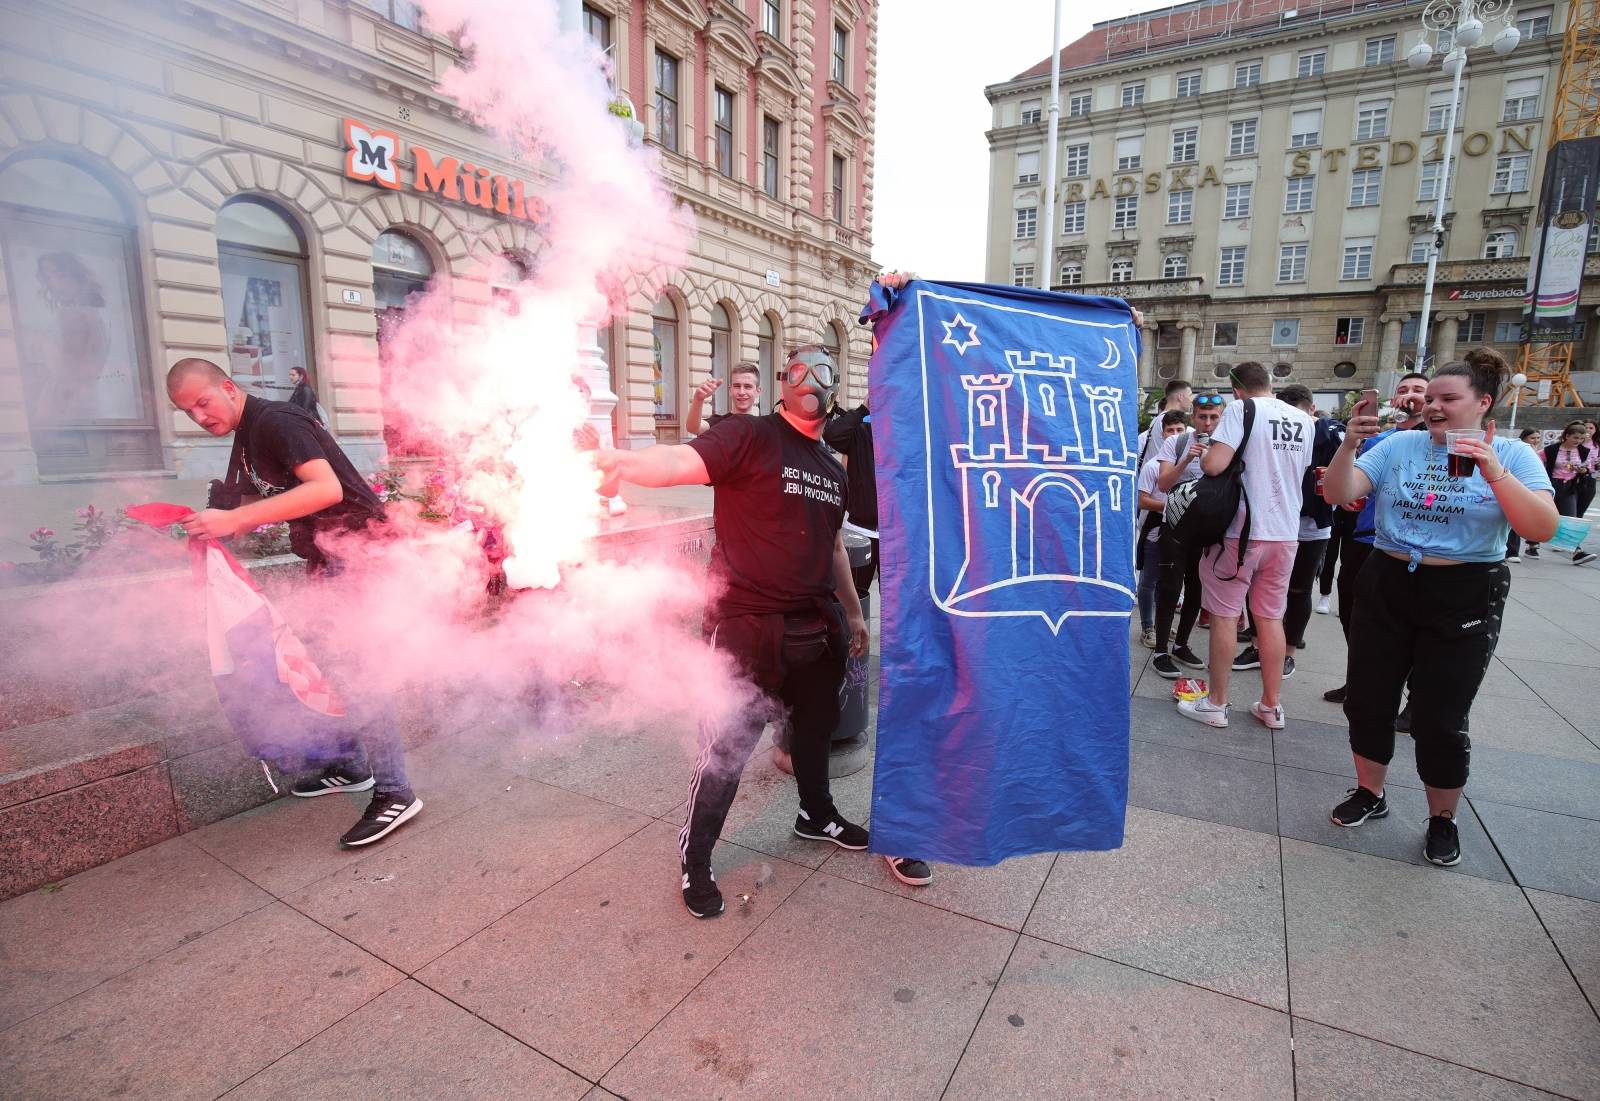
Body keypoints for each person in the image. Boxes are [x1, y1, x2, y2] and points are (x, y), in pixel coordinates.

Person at [596, 346, 872, 919]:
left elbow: (832, 548)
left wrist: (853, 612)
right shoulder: (748, 435)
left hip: (815, 629)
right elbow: (679, 463)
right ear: (782, 381)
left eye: (825, 370)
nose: (813, 379)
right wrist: (623, 461)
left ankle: (814, 815)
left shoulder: (830, 468)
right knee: (725, 750)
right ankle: (696, 858)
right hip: (745, 629)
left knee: (814, 734)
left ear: (837, 384)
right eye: (800, 369)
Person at [165, 358, 422, 848]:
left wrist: (236, 523)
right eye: (187, 412)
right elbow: (234, 502)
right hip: (331, 556)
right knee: (328, 662)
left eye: (202, 402)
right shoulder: (245, 436)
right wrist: (199, 523)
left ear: (228, 387)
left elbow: (325, 488)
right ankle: (350, 765)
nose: (199, 417)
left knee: (357, 669)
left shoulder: (277, 421)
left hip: (364, 552)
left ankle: (394, 791)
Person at [1321, 348, 1557, 867]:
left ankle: (1442, 818)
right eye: (1430, 397)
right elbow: (1341, 494)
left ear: (1483, 403)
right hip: (1387, 580)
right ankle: (1371, 792)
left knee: (1440, 716)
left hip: (1466, 589)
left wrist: (1492, 469)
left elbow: (1540, 527)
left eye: (1448, 398)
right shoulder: (1400, 444)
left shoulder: (1514, 455)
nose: (1433, 406)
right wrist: (1352, 445)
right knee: (1368, 699)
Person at [1177, 363, 1314, 730]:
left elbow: (1215, 466)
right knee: (1269, 617)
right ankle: (1271, 706)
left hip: (1243, 530)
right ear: (1270, 383)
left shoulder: (1241, 409)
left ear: (1236, 389)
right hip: (1285, 531)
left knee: (1224, 615)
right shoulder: (1303, 419)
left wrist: (1205, 454)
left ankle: (1216, 703)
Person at [1320, 372, 1428, 704]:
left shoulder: (1439, 440)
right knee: (1355, 616)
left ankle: (1414, 699)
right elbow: (1344, 485)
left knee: (1412, 627)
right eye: (1403, 390)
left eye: (1419, 391)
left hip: (1413, 549)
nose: (1409, 396)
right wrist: (1349, 447)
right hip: (1363, 539)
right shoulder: (1380, 440)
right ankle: (1361, 681)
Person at [1233, 385, 1343, 679]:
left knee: (1299, 590)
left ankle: (1288, 652)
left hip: (1310, 527)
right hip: (1271, 523)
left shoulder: (1329, 434)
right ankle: (1257, 646)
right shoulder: (1267, 428)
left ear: (1311, 411)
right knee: (1256, 586)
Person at [1149, 393, 1225, 676]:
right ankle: (1160, 650)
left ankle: (1181, 644)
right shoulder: (1177, 441)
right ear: (1193, 418)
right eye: (1202, 417)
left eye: (1214, 417)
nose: (1208, 423)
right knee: (1170, 587)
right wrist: (1186, 459)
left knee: (1197, 588)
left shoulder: (1228, 444)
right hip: (1176, 524)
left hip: (1208, 529)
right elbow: (1165, 483)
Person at [1137, 410, 1188, 647]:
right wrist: (1171, 506)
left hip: (1182, 535)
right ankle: (1148, 627)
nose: (1175, 435)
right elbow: (1143, 500)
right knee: (1149, 581)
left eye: (1179, 430)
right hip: (1155, 534)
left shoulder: (1193, 463)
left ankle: (1162, 626)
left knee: (1170, 582)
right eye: (1170, 430)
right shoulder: (1151, 467)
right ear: (1162, 432)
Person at [1542, 422, 1598, 566]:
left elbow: (1589, 468)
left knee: (1571, 518)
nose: (1578, 441)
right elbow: (1536, 460)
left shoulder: (1583, 451)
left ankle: (1577, 552)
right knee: (1544, 515)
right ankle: (1532, 544)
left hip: (1571, 487)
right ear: (1567, 436)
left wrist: (1582, 470)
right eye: (1575, 438)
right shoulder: (1552, 449)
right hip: (1552, 485)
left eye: (1580, 438)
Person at [1134, 379, 1194, 474]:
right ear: (1180, 397)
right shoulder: (1165, 420)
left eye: (1179, 430)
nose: (1192, 400)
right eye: (1190, 395)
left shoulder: (1157, 420)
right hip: (1162, 479)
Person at [684, 362, 761, 435]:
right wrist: (698, 399)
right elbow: (693, 428)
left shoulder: (763, 427)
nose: (741, 392)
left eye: (747, 386)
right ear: (730, 390)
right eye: (737, 386)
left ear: (758, 391)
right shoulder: (718, 422)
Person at [1506, 428, 1544, 561]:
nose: (1536, 440)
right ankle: (1512, 551)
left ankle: (1531, 546)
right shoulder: (1517, 450)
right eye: (1533, 438)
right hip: (1513, 488)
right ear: (1524, 438)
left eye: (1538, 438)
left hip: (1528, 489)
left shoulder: (1536, 452)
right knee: (1512, 518)